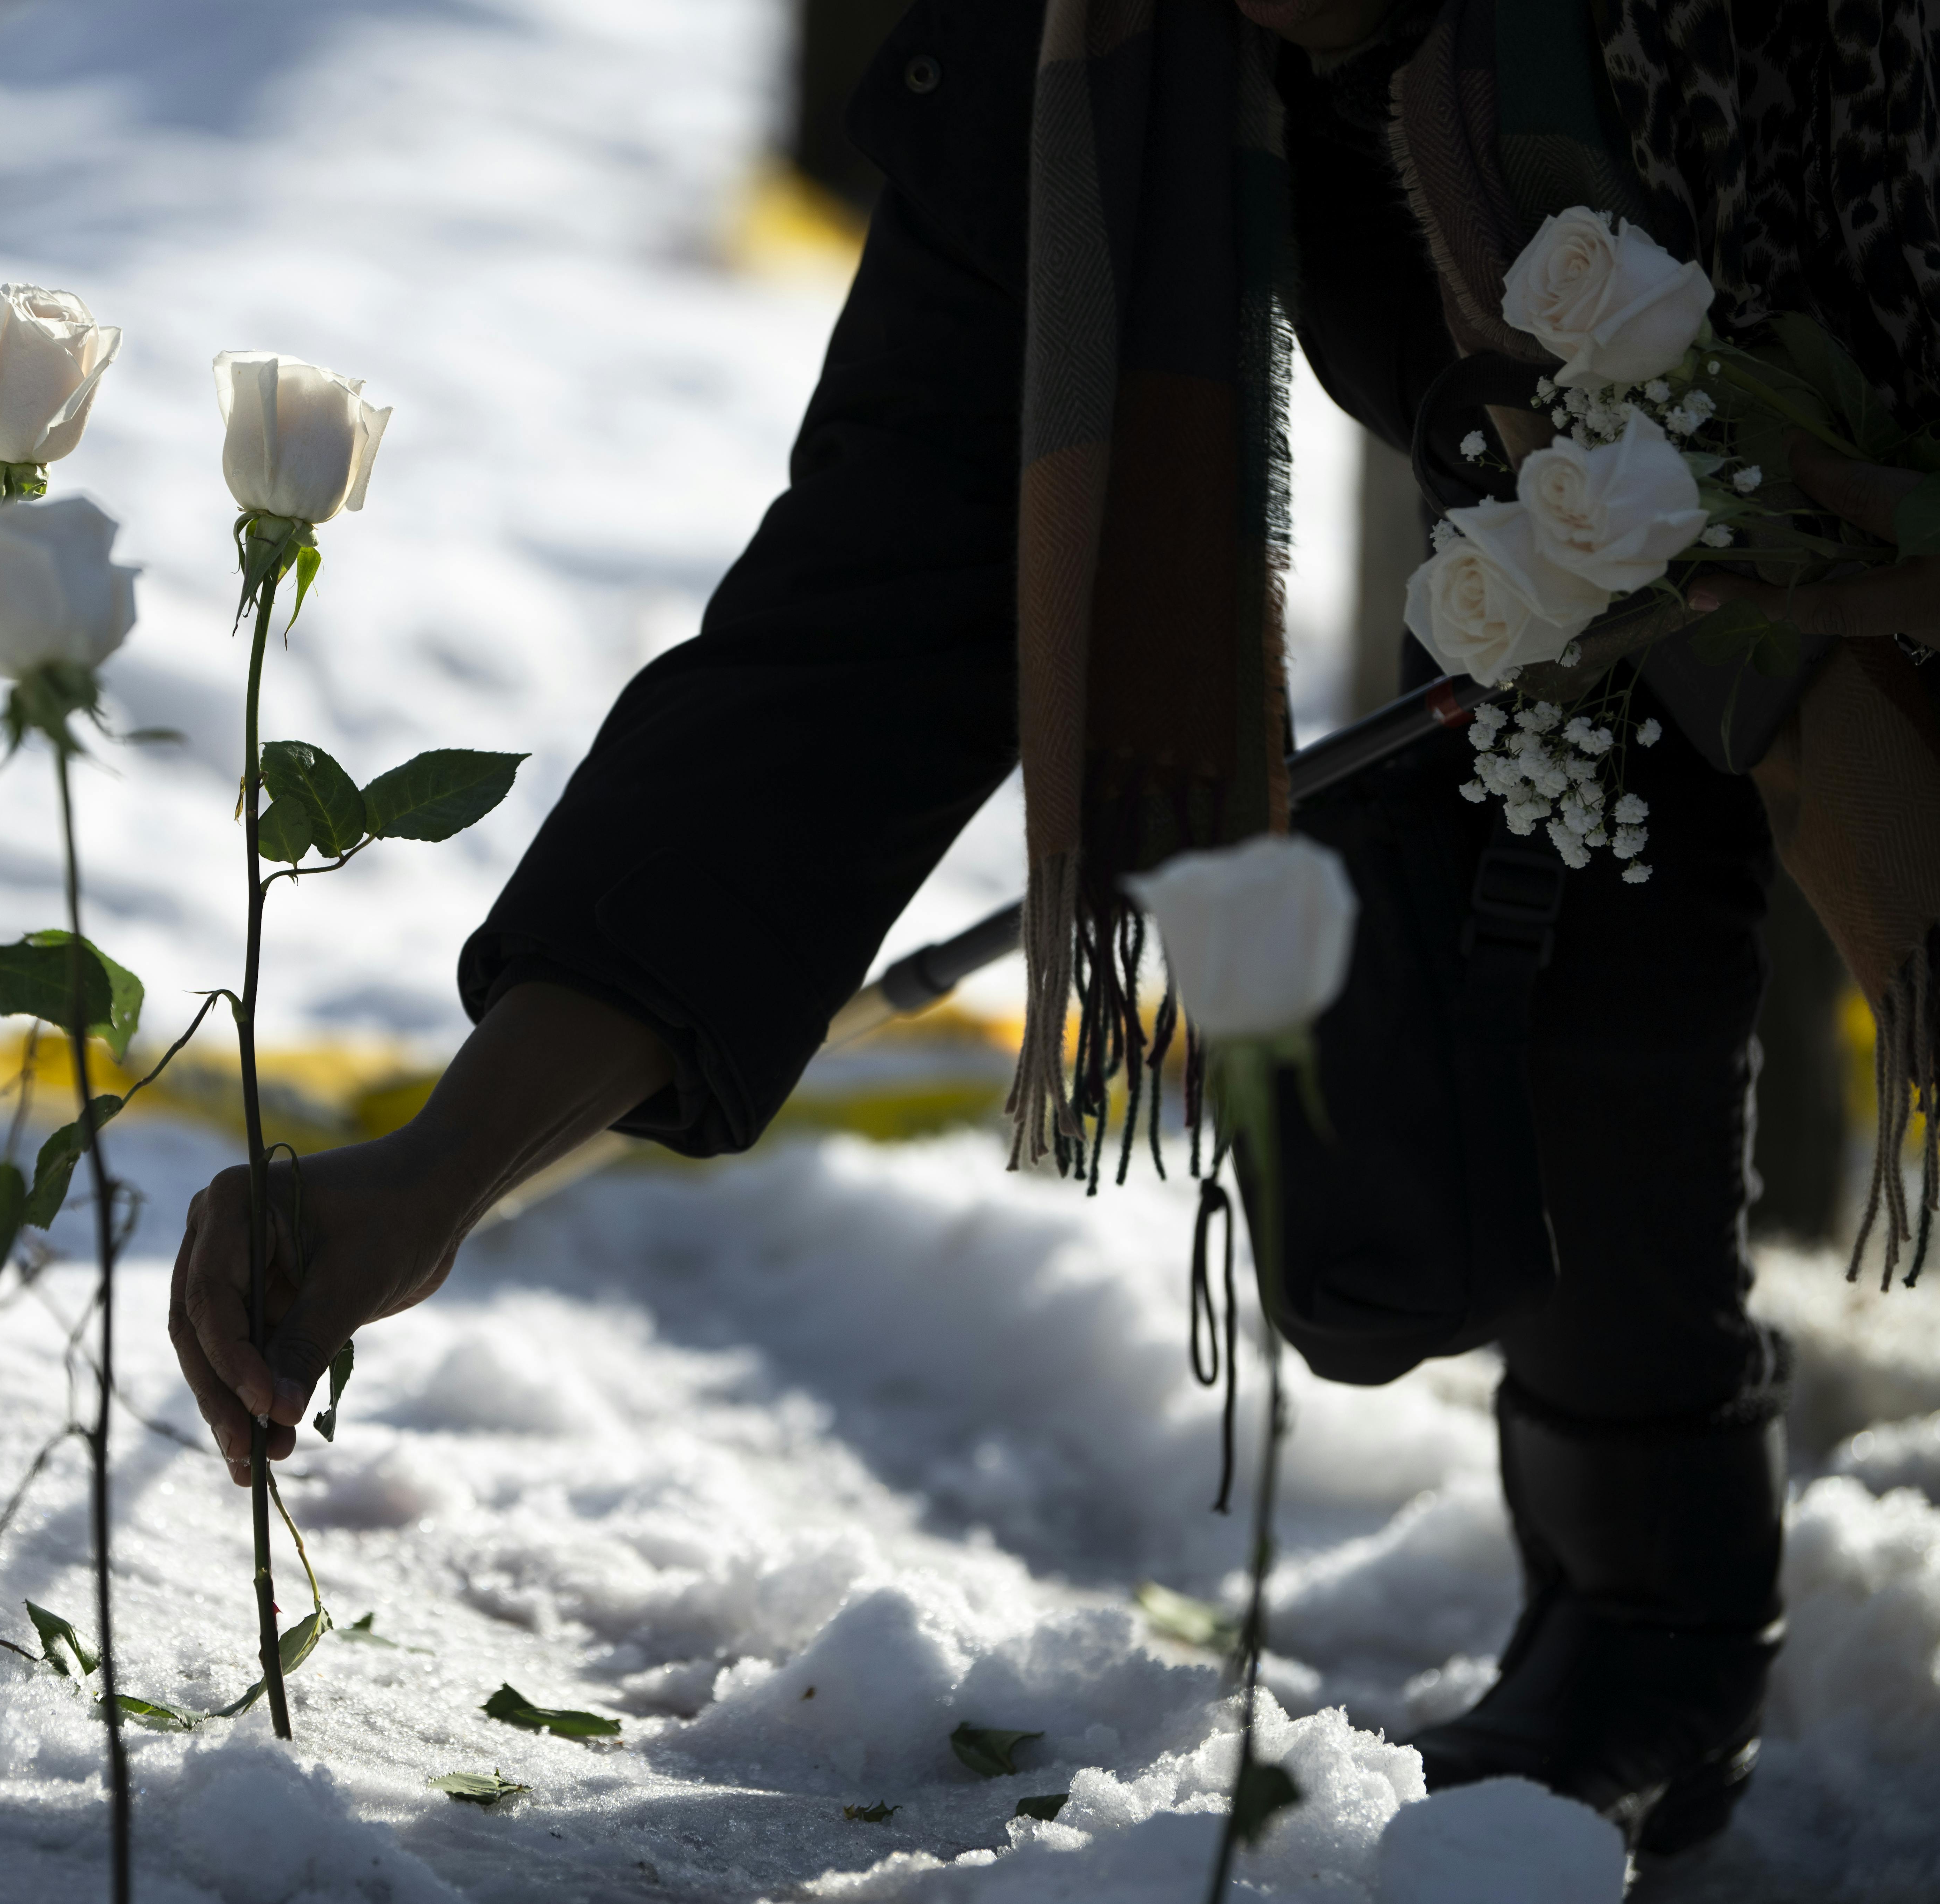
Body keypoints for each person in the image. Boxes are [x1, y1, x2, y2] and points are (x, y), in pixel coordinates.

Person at [172, 0, 1940, 1855]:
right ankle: (1649, 1606)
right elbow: (877, 615)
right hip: (1607, 481)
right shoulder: (1108, 53)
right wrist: (443, 1166)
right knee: (1552, 787)